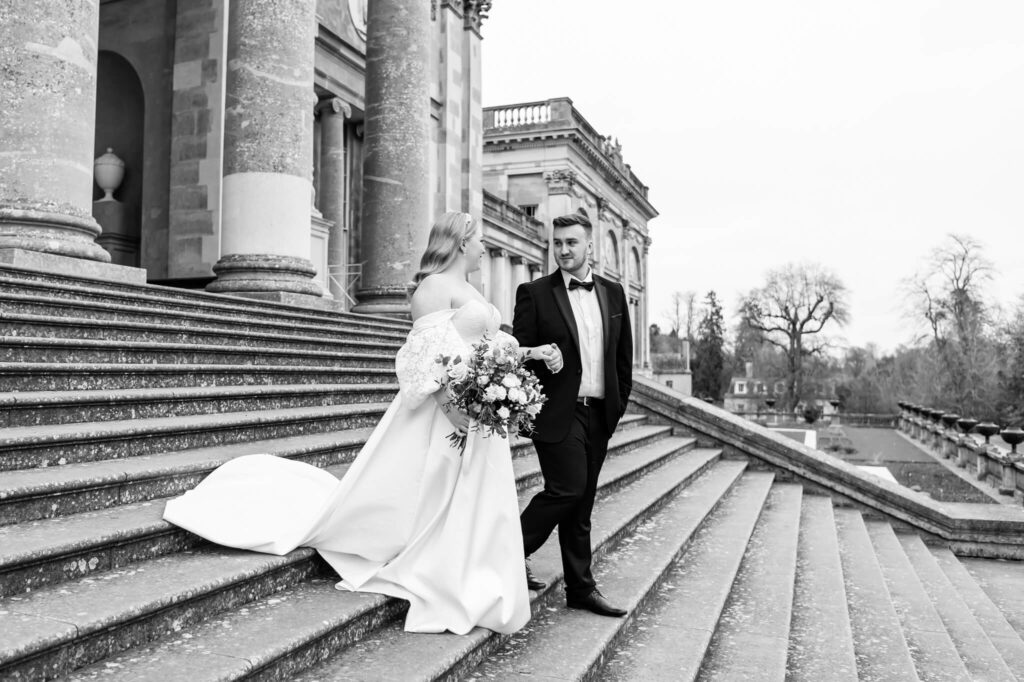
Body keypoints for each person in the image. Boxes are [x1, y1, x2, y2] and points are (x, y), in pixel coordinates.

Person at [163, 212, 538, 635]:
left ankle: (476, 570)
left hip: (478, 409)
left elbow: (485, 345)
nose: (485, 247)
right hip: (446, 411)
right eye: (479, 240)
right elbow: (426, 354)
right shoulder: (432, 288)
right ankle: (443, 567)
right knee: (439, 488)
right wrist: (452, 408)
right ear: (460, 242)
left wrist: (522, 364)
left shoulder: (471, 288)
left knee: (475, 495)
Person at [512, 207, 633, 618]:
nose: (563, 250)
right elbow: (519, 356)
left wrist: (615, 410)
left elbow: (622, 359)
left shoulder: (613, 294)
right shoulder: (535, 293)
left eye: (571, 242)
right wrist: (540, 358)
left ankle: (581, 589)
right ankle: (506, 552)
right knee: (567, 489)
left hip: (599, 413)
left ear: (589, 246)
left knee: (581, 505)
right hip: (557, 413)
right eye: (557, 243)